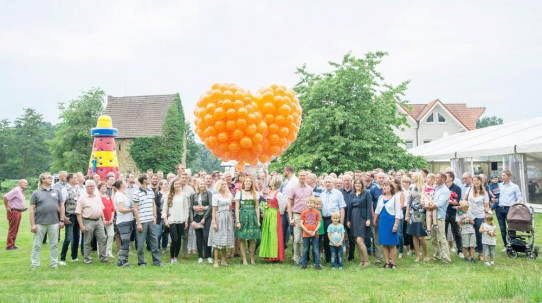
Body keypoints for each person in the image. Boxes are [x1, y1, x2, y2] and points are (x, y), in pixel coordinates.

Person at [30, 173, 65, 269]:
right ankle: (34, 264)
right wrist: (33, 224)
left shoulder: (57, 191)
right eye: (48, 177)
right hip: (40, 222)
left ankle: (54, 264)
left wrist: (61, 220)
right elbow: (32, 209)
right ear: (42, 180)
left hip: (54, 222)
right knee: (37, 245)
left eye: (51, 177)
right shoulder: (36, 193)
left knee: (54, 244)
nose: (51, 179)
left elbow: (62, 206)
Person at [75, 180, 110, 264]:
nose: (92, 188)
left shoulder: (97, 196)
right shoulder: (82, 198)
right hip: (88, 221)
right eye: (90, 186)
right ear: (86, 187)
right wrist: (81, 225)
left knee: (102, 239)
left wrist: (103, 219)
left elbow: (101, 208)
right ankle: (87, 259)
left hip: (98, 221)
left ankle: (103, 257)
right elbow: (78, 213)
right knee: (87, 241)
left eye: (93, 186)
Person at [132, 174, 164, 267]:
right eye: (148, 178)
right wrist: (138, 223)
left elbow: (153, 204)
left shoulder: (150, 191)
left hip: (151, 220)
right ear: (143, 180)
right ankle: (141, 262)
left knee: (154, 241)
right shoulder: (136, 193)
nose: (150, 179)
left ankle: (157, 261)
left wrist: (154, 217)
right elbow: (135, 209)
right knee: (141, 243)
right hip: (142, 221)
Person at [374, 180, 401, 269]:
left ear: (391, 188)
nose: (385, 187)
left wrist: (395, 225)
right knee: (385, 244)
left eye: (387, 186)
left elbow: (398, 212)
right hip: (382, 223)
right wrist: (374, 220)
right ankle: (387, 262)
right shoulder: (381, 198)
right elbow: (377, 210)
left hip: (391, 222)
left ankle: (393, 263)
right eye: (384, 186)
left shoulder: (395, 198)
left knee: (392, 244)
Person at [259, 175, 287, 262]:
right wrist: (264, 211)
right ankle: (269, 254)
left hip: (275, 215)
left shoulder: (278, 194)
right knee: (268, 234)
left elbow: (282, 207)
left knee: (274, 234)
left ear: (274, 182)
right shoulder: (270, 192)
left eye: (271, 180)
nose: (270, 182)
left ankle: (275, 256)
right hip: (268, 214)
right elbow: (266, 203)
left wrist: (279, 214)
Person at [288, 170, 312, 266]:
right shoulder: (293, 188)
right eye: (301, 175)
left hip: (307, 215)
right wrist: (291, 218)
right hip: (297, 214)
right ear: (298, 176)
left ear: (306, 177)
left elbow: (312, 202)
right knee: (297, 239)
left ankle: (303, 259)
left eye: (304, 176)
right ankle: (296, 259)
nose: (302, 177)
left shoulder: (309, 189)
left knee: (305, 239)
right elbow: (289, 203)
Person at [235, 176, 261, 265]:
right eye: (247, 181)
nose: (248, 183)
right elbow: (237, 208)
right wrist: (237, 221)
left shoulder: (255, 193)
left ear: (252, 183)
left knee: (252, 239)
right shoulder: (239, 193)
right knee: (242, 238)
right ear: (244, 183)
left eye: (250, 181)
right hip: (242, 216)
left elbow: (257, 208)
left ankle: (252, 257)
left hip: (252, 216)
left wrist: (258, 220)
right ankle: (244, 258)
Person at [208, 180, 235, 268]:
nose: (224, 185)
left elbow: (230, 209)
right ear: (219, 186)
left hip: (227, 217)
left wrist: (231, 220)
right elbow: (214, 210)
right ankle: (216, 261)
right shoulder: (216, 196)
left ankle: (223, 260)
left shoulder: (228, 195)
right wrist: (214, 222)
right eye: (222, 184)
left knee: (225, 239)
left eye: (225, 184)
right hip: (219, 217)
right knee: (217, 239)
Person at [319, 176, 346, 264]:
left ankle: (338, 258)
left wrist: (341, 222)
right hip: (325, 219)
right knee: (327, 239)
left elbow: (342, 208)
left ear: (333, 183)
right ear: (324, 184)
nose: (328, 184)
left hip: (335, 219)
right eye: (326, 182)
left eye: (329, 182)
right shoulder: (322, 194)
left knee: (336, 238)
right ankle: (329, 258)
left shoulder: (338, 193)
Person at [163, 179, 189, 264]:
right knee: (174, 239)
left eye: (178, 184)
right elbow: (164, 209)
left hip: (181, 219)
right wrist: (165, 220)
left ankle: (176, 256)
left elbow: (186, 208)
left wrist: (186, 220)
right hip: (172, 220)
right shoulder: (168, 195)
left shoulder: (183, 195)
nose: (177, 185)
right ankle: (171, 256)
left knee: (178, 240)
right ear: (172, 185)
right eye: (175, 184)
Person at [347, 178, 372, 266]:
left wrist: (368, 219)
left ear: (362, 184)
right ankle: (362, 261)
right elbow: (349, 207)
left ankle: (366, 261)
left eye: (359, 183)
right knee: (356, 241)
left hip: (363, 218)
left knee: (360, 241)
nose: (357, 185)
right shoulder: (351, 194)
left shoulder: (367, 193)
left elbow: (369, 207)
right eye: (356, 183)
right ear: (354, 185)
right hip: (354, 217)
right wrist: (348, 220)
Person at [405, 172, 430, 262]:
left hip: (421, 212)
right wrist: (406, 214)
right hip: (413, 212)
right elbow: (409, 202)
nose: (412, 178)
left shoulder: (424, 186)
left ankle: (426, 255)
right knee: (414, 235)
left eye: (413, 176)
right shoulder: (411, 187)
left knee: (421, 236)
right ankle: (418, 255)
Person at [428, 173, 451, 264]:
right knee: (433, 238)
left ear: (443, 180)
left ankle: (446, 259)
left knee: (442, 238)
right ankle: (436, 256)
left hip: (439, 217)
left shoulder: (445, 191)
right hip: (432, 216)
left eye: (437, 178)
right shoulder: (436, 188)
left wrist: (428, 205)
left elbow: (439, 204)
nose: (435, 179)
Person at [496, 170, 522, 250]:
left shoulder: (515, 187)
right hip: (499, 209)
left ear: (509, 177)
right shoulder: (499, 185)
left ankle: (513, 245)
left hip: (509, 209)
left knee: (511, 227)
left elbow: (519, 198)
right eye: (502, 175)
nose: (502, 177)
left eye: (504, 175)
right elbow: (495, 195)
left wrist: (514, 205)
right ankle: (506, 245)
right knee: (502, 228)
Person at [465, 175, 490, 261]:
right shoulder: (468, 190)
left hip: (480, 215)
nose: (476, 182)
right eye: (475, 180)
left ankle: (480, 253)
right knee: (470, 234)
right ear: (472, 181)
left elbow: (486, 206)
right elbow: (464, 200)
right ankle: (470, 254)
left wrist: (488, 212)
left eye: (478, 180)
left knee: (479, 234)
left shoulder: (484, 193)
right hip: (470, 214)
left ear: (481, 182)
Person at [59, 174, 81, 264]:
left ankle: (74, 256)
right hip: (69, 215)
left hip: (77, 215)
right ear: (70, 179)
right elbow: (61, 204)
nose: (77, 179)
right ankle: (62, 258)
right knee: (68, 237)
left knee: (77, 236)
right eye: (75, 178)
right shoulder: (65, 190)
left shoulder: (77, 188)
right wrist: (63, 217)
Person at [190, 179, 213, 264]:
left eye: (203, 184)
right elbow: (191, 207)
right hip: (197, 217)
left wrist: (204, 216)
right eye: (200, 184)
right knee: (198, 237)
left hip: (206, 217)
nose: (202, 186)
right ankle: (200, 256)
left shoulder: (208, 193)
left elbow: (211, 206)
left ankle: (208, 255)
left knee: (206, 236)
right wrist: (192, 220)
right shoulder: (194, 195)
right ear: (198, 185)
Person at [113, 179, 134, 268]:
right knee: (125, 241)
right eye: (124, 182)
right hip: (123, 221)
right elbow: (121, 209)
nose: (125, 183)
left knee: (127, 241)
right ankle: (121, 261)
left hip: (128, 220)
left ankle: (124, 260)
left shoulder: (124, 194)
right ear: (121, 185)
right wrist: (131, 210)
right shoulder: (119, 196)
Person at [3, 179, 28, 251]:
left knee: (16, 229)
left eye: (26, 183)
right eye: (24, 183)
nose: (26, 184)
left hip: (19, 212)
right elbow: (5, 197)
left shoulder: (21, 191)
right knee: (13, 229)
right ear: (20, 183)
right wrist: (7, 207)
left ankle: (13, 244)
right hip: (14, 211)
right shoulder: (16, 190)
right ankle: (9, 245)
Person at [444, 171, 463, 259]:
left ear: (451, 178)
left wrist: (448, 201)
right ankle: (444, 251)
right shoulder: (442, 187)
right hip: (443, 212)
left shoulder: (457, 188)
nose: (444, 178)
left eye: (446, 176)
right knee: (443, 232)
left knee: (456, 231)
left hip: (453, 213)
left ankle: (460, 250)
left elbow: (456, 201)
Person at [300, 197, 322, 270]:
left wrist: (315, 231)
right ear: (306, 204)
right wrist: (307, 231)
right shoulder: (304, 212)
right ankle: (304, 264)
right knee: (305, 249)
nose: (310, 204)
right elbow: (301, 223)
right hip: (306, 234)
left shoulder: (317, 212)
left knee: (315, 249)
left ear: (314, 204)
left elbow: (319, 223)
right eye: (308, 203)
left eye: (311, 203)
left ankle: (317, 264)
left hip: (315, 234)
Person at [369, 172, 386, 264]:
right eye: (379, 177)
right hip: (377, 216)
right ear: (376, 178)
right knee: (377, 238)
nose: (381, 179)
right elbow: (371, 204)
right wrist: (373, 217)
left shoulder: (390, 189)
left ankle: (389, 257)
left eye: (383, 177)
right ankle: (379, 257)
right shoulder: (373, 189)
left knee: (388, 237)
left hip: (388, 217)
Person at [281, 165, 298, 250]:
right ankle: (282, 249)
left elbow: (293, 197)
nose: (284, 172)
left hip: (291, 209)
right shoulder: (286, 180)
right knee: (283, 230)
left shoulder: (295, 181)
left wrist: (287, 206)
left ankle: (294, 251)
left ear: (287, 171)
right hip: (284, 210)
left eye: (284, 171)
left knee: (292, 231)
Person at [97, 182, 115, 258]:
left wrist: (111, 219)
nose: (104, 188)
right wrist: (103, 219)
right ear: (99, 188)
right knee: (101, 237)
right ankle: (100, 252)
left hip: (110, 219)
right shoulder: (97, 197)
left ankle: (108, 251)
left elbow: (112, 209)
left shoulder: (108, 197)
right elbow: (99, 209)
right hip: (101, 220)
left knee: (111, 235)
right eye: (102, 187)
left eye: (105, 187)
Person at [340, 174, 355, 261]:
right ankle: (340, 254)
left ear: (351, 181)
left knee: (351, 238)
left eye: (348, 180)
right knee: (340, 236)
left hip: (351, 217)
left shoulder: (354, 191)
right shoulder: (339, 191)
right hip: (341, 216)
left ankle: (351, 256)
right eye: (345, 180)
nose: (346, 182)